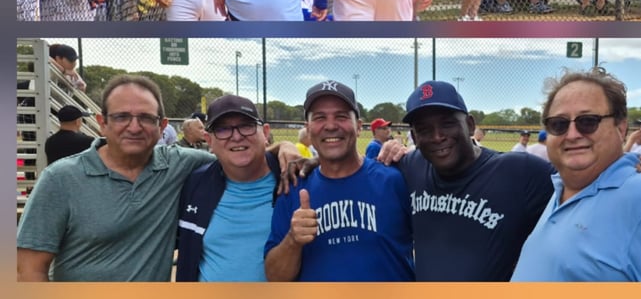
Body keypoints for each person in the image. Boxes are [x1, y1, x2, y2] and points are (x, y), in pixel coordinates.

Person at [17, 74, 217, 281]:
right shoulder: (59, 178)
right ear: (102, 123)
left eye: (146, 118)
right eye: (121, 116)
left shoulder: (179, 165)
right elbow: (29, 269)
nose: (134, 127)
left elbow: (234, 161)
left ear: (162, 126)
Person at [511, 68, 641, 281]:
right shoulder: (561, 190)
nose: (572, 134)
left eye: (588, 121)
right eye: (559, 124)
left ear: (621, 128)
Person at [379, 80, 554, 281]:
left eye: (447, 123)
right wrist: (390, 148)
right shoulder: (409, 166)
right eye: (424, 129)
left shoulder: (520, 172)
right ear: (415, 137)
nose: (437, 136)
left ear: (470, 125)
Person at [264, 80, 414, 281]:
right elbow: (275, 277)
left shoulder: (394, 179)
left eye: (341, 116)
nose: (331, 125)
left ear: (359, 126)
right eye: (320, 117)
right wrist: (293, 240)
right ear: (308, 129)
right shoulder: (293, 188)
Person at [176, 95, 281, 281]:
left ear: (265, 133)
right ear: (209, 140)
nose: (237, 136)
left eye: (246, 125)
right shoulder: (194, 183)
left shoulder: (292, 178)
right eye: (223, 129)